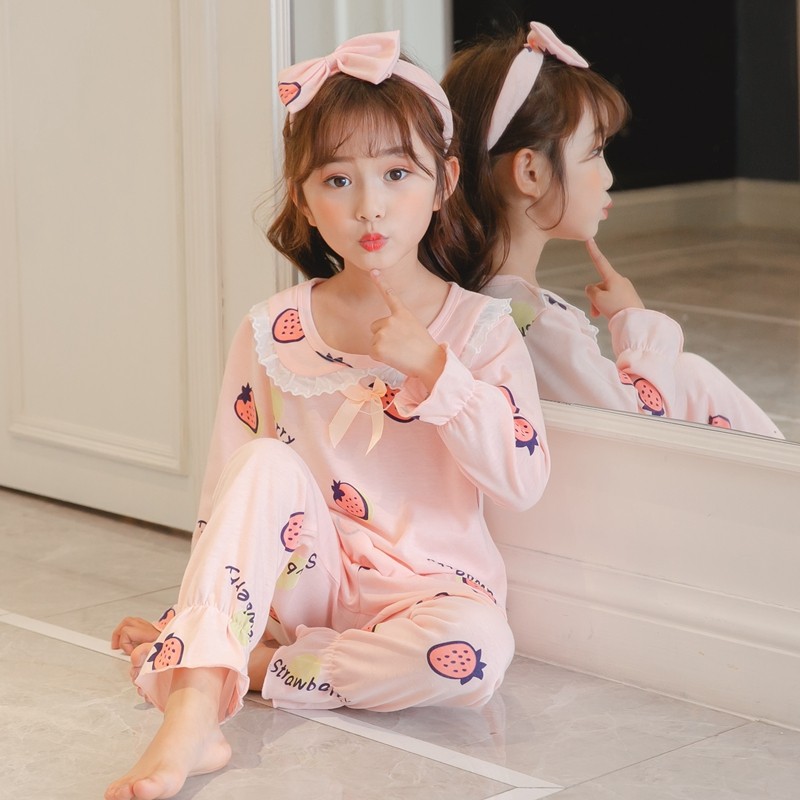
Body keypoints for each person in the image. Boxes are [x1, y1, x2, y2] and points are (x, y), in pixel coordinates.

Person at [105, 30, 549, 800]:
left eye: (397, 173)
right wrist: (198, 603)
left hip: (427, 597)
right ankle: (191, 715)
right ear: (304, 199)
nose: (369, 205)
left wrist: (435, 369)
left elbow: (522, 480)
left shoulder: (481, 331)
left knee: (476, 655)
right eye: (337, 179)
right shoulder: (273, 327)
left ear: (444, 182)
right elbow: (229, 494)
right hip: (302, 577)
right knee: (262, 461)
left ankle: (248, 667)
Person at [440, 21, 785, 439]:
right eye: (595, 151)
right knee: (693, 376)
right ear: (530, 172)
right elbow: (636, 426)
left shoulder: (460, 296)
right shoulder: (535, 325)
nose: (608, 176)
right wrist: (633, 321)